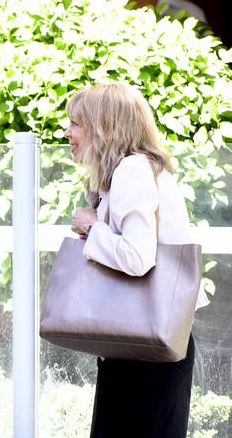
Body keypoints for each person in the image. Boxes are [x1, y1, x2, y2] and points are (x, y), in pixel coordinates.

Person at [65, 83, 208, 438]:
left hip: (146, 347)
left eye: (75, 123)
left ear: (103, 126)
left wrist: (92, 227)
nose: (67, 132)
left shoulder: (132, 169)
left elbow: (137, 256)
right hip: (147, 340)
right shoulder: (135, 171)